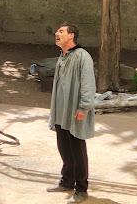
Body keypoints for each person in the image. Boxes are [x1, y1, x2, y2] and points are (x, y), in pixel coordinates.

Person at [47, 22, 96, 203]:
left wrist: (83, 107)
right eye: (57, 31)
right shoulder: (63, 56)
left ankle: (81, 189)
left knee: (77, 148)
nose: (56, 33)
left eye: (61, 31)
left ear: (71, 35)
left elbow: (88, 84)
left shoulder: (83, 56)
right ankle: (66, 182)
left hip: (75, 110)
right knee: (63, 146)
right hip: (61, 110)